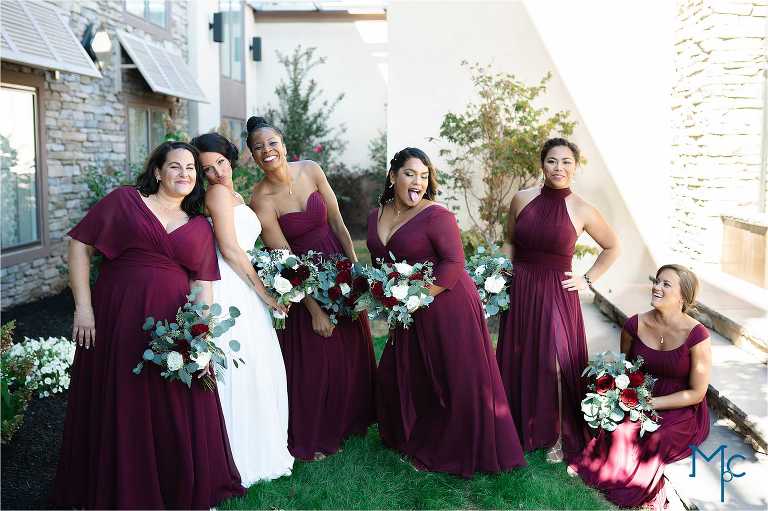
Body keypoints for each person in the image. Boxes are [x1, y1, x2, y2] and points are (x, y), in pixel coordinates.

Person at [51, 141, 244, 509]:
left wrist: (200, 338)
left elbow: (202, 285)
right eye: (175, 166)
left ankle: (171, 484)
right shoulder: (125, 201)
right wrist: (84, 308)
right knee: (120, 396)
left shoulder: (199, 226)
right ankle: (116, 483)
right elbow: (79, 246)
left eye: (191, 168)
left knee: (170, 404)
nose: (184, 173)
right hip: (117, 318)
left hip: (172, 327)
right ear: (157, 171)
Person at [367, 147, 527, 477]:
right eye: (410, 174)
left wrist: (413, 299)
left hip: (446, 303)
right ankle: (412, 435)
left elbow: (454, 263)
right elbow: (379, 263)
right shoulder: (375, 215)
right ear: (393, 176)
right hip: (407, 308)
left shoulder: (436, 215)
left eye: (424, 176)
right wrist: (391, 298)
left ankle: (456, 446)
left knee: (452, 376)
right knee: (406, 371)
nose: (418, 182)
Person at [246, 116, 376, 461]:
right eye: (258, 147)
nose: (267, 150)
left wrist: (356, 274)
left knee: (349, 347)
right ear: (253, 156)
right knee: (318, 361)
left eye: (272, 143)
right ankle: (316, 432)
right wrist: (315, 310)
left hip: (338, 266)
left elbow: (337, 222)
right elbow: (286, 261)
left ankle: (352, 420)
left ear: (283, 144)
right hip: (303, 281)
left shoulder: (311, 170)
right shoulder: (261, 199)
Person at [496, 137, 621, 462]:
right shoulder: (522, 199)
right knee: (520, 355)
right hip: (520, 287)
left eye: (566, 162)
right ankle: (517, 427)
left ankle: (558, 436)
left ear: (575, 167)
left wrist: (587, 279)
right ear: (542, 164)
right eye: (552, 161)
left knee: (556, 364)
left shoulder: (582, 208)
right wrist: (500, 274)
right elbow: (509, 241)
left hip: (557, 292)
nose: (558, 168)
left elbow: (612, 247)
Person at [190, 132, 294, 485]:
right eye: (207, 169)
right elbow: (231, 249)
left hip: (244, 282)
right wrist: (265, 294)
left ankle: (256, 448)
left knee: (255, 364)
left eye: (220, 163)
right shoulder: (218, 194)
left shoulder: (234, 195)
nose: (217, 173)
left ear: (230, 159)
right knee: (241, 366)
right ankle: (238, 454)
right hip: (231, 286)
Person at [569, 264, 712, 509]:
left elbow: (697, 393)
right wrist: (622, 394)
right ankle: (603, 471)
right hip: (640, 393)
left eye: (666, 284)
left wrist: (650, 403)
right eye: (656, 281)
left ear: (682, 297)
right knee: (621, 428)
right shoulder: (634, 325)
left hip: (680, 404)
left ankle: (628, 487)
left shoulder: (697, 336)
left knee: (656, 436)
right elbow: (627, 368)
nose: (656, 287)